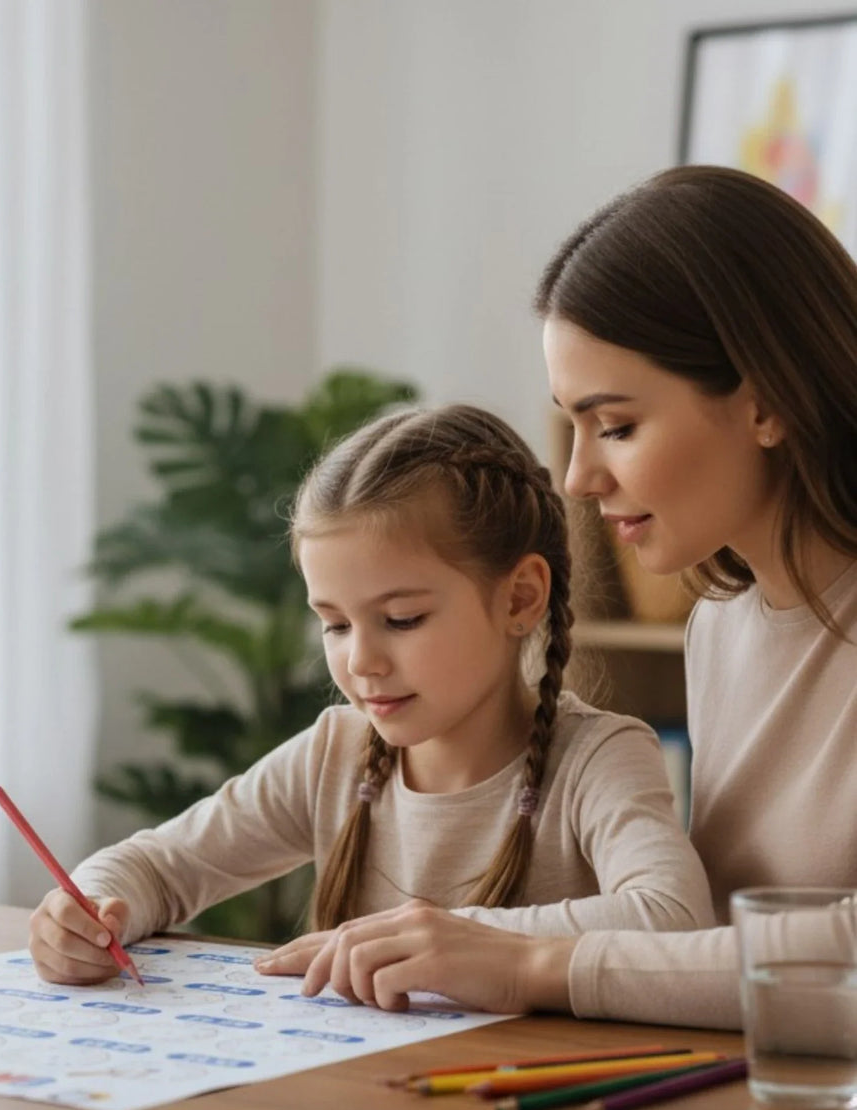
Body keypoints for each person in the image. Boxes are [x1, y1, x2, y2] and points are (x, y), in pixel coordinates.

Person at [266, 164, 857, 1030]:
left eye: (615, 426)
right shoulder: (723, 627)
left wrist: (532, 960)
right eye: (572, 425)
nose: (578, 478)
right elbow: (725, 943)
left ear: (765, 403)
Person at [28, 403, 713, 986]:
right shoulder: (336, 754)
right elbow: (159, 864)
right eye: (333, 623)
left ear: (520, 598)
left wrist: (453, 941)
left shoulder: (597, 759)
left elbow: (674, 917)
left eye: (402, 619)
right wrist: (90, 909)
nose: (361, 661)